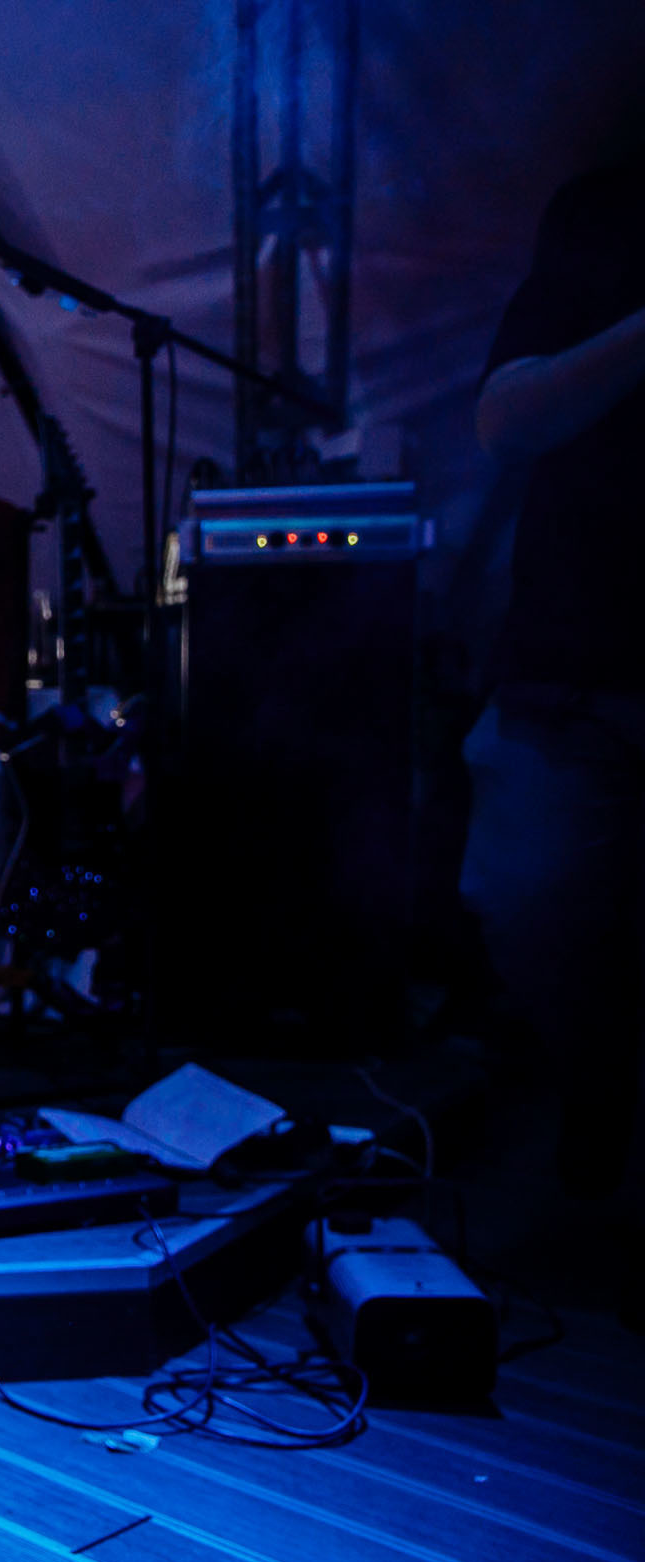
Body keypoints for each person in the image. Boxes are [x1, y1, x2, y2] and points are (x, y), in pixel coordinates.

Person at [462, 158, 644, 1304]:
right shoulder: (605, 208)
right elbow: (507, 417)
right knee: (515, 897)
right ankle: (591, 1081)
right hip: (573, 677)